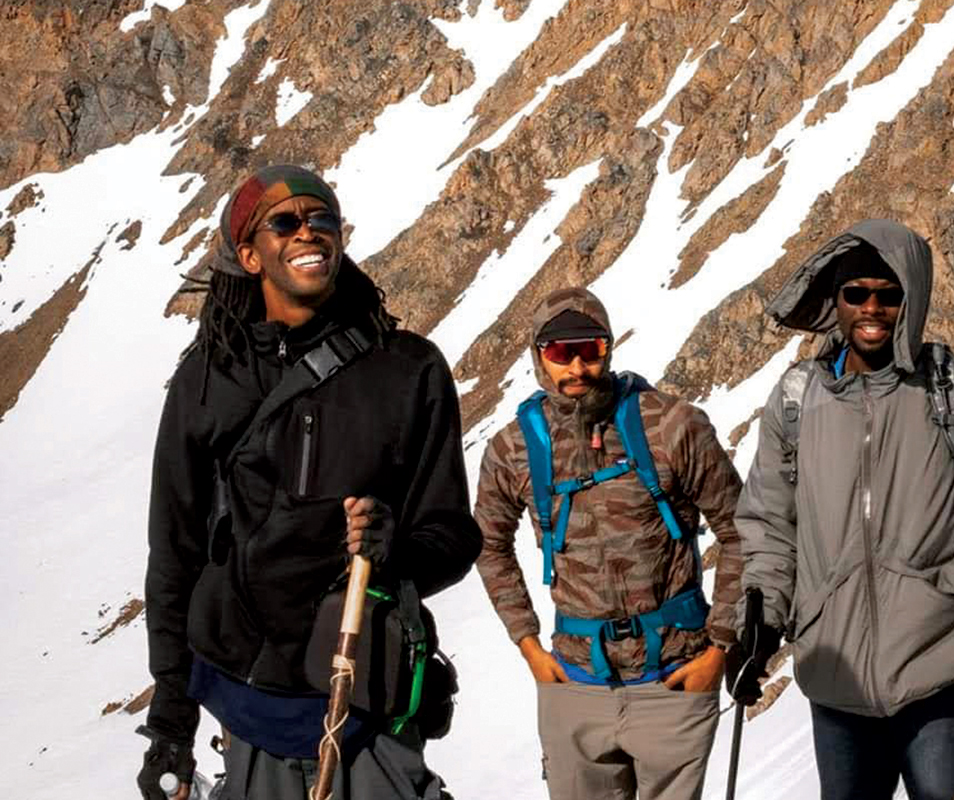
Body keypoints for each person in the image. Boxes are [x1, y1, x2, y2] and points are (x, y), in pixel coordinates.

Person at [138, 165, 481, 800]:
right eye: (286, 222)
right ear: (249, 253)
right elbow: (176, 552)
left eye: (322, 219)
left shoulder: (408, 370)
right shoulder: (210, 380)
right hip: (248, 703)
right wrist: (172, 720)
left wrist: (393, 549)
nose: (309, 233)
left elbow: (454, 534)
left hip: (367, 698)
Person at [732, 219, 954, 800]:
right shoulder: (797, 399)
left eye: (889, 295)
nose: (873, 309)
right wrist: (758, 626)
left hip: (940, 665)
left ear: (911, 298)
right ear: (835, 302)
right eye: (856, 294)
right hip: (836, 674)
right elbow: (770, 526)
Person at [473, 287, 744, 800]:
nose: (575, 365)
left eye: (589, 349)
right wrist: (528, 643)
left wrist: (720, 649)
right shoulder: (512, 449)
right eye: (558, 352)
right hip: (574, 683)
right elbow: (488, 543)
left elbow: (742, 530)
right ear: (539, 358)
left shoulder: (672, 425)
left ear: (609, 349)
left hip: (676, 677)